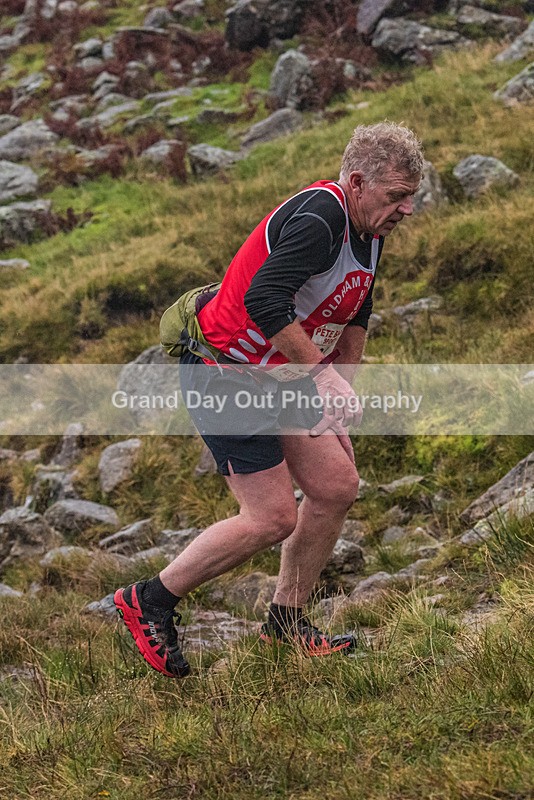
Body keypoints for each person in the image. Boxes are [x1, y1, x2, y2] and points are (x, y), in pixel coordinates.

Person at [114, 121, 424, 678]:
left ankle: (286, 625)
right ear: (357, 181)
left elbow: (356, 313)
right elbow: (265, 299)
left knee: (335, 486)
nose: (406, 210)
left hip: (280, 376)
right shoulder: (320, 218)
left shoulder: (369, 231)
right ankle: (150, 600)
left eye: (411, 198)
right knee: (272, 516)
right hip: (224, 375)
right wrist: (321, 377)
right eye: (397, 196)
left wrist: (338, 392)